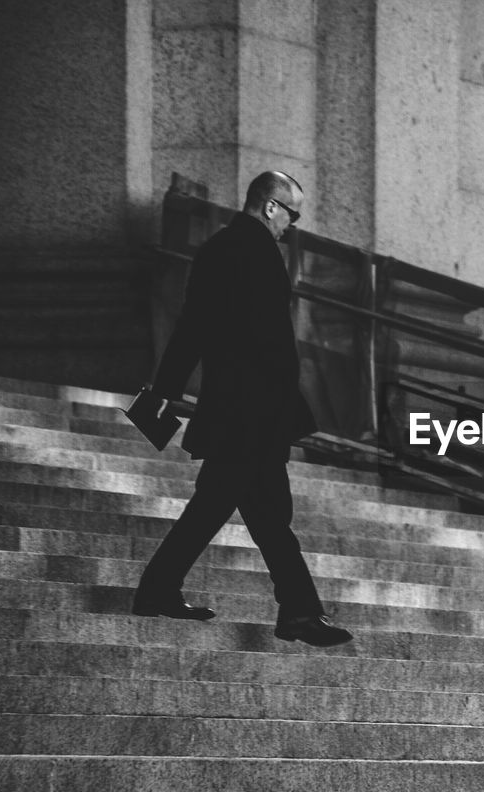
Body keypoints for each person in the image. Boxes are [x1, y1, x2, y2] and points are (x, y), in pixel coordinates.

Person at [130, 170, 353, 648]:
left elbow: (193, 325)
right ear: (271, 205)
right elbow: (263, 343)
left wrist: (166, 388)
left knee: (238, 509)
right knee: (260, 512)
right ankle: (297, 612)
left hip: (240, 410)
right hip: (252, 413)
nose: (291, 225)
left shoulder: (220, 249)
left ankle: (164, 590)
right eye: (291, 213)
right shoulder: (254, 250)